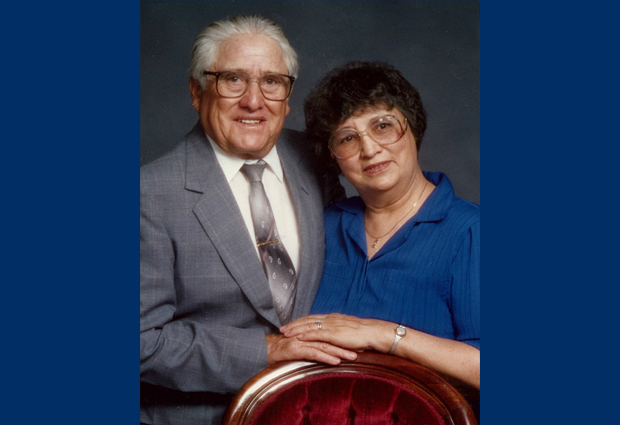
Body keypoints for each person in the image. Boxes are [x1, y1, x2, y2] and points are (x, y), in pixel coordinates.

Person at [140, 15, 353, 425]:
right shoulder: (149, 194)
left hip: (313, 411)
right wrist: (268, 351)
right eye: (233, 79)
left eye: (271, 81)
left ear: (288, 97)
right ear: (197, 91)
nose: (253, 101)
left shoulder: (313, 157)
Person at [282, 61, 481, 390]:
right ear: (333, 155)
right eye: (347, 138)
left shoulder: (473, 231)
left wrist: (385, 334)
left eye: (383, 126)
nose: (370, 149)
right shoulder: (322, 225)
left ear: (412, 128)